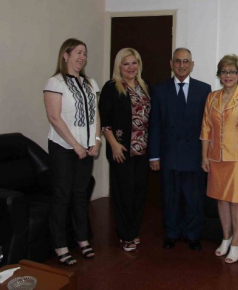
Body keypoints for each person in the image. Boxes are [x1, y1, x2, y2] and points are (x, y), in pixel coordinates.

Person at [43, 38, 100, 265]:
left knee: (80, 194)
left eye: (84, 53)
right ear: (65, 55)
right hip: (63, 148)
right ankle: (60, 245)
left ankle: (83, 240)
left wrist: (95, 140)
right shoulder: (55, 82)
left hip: (86, 149)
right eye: (77, 52)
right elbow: (54, 118)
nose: (82, 57)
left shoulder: (90, 83)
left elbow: (95, 114)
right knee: (62, 195)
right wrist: (75, 145)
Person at [149, 48, 211, 251]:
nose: (182, 65)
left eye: (186, 61)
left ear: (192, 64)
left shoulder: (204, 89)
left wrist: (206, 155)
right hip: (169, 155)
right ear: (171, 64)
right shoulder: (159, 89)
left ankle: (193, 235)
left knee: (194, 199)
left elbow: (208, 125)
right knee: (170, 198)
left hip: (194, 155)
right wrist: (154, 156)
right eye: (177, 61)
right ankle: (172, 233)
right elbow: (155, 124)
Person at [200, 54, 238, 264]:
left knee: (236, 202)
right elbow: (206, 129)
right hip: (216, 157)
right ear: (219, 74)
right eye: (224, 71)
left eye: (233, 71)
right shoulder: (212, 97)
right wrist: (204, 156)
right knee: (221, 200)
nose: (228, 75)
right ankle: (225, 238)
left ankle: (236, 242)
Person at [99, 48, 151, 252]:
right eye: (126, 63)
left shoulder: (144, 86)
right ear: (119, 66)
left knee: (138, 193)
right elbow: (105, 120)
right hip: (121, 149)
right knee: (123, 194)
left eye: (134, 63)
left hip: (142, 150)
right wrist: (113, 144)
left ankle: (133, 231)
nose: (131, 67)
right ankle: (124, 235)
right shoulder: (111, 87)